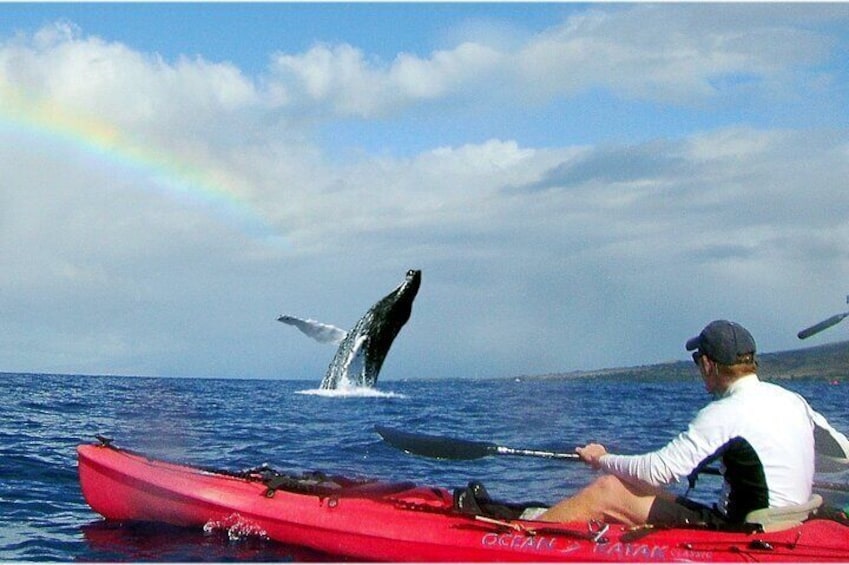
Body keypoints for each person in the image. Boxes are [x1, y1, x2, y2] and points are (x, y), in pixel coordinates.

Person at [537, 319, 849, 527]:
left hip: (744, 531)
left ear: (708, 364)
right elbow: (841, 454)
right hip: (791, 520)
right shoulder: (793, 401)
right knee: (638, 486)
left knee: (608, 489)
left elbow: (658, 471)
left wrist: (602, 458)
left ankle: (517, 540)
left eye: (698, 361)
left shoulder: (726, 412)